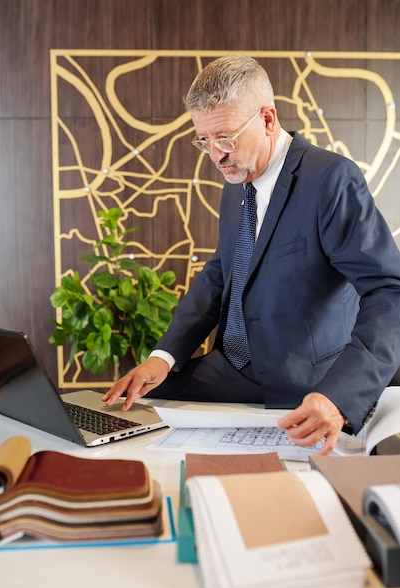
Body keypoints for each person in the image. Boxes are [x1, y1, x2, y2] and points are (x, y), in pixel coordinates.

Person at [103, 55, 400, 455]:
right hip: (237, 365)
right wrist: (164, 354)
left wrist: (339, 396)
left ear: (267, 119)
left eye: (225, 137)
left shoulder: (329, 179)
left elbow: (389, 291)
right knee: (141, 398)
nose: (215, 155)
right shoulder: (236, 180)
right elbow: (220, 273)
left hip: (306, 377)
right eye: (203, 140)